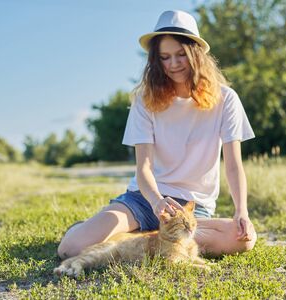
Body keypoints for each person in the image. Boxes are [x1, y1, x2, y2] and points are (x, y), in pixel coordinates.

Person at [57, 10, 257, 259]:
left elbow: (234, 165)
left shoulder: (226, 99)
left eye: (181, 55)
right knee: (71, 248)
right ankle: (139, 235)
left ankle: (141, 240)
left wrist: (242, 212)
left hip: (192, 209)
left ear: (195, 53)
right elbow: (144, 169)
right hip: (144, 200)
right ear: (156, 60)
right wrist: (156, 202)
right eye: (165, 57)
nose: (173, 64)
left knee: (244, 240)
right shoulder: (145, 99)